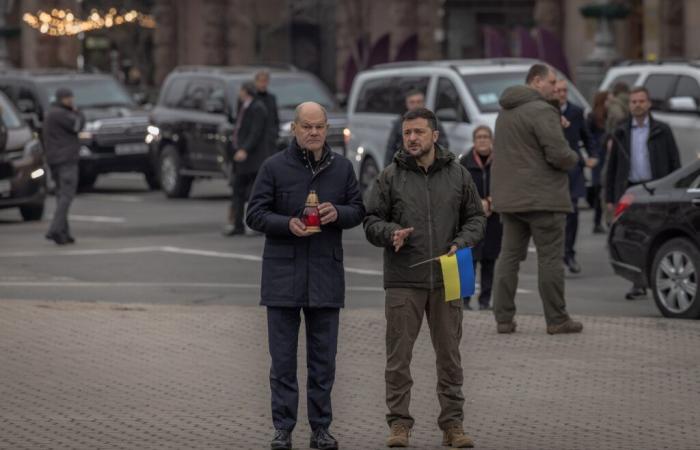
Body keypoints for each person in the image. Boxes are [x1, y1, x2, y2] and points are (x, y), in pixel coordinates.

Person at [246, 102, 365, 450]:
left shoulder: (342, 168)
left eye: (319, 127)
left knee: (323, 363)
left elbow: (359, 210)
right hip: (283, 277)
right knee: (282, 362)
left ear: (327, 129)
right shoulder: (273, 167)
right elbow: (254, 214)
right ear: (294, 129)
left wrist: (337, 213)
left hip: (325, 275)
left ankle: (321, 429)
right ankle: (283, 429)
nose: (313, 133)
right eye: (306, 127)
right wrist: (288, 224)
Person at [364, 107, 485, 448]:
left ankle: (453, 425)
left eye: (418, 132)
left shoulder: (458, 175)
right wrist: (390, 234)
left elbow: (476, 219)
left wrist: (461, 243)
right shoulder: (390, 176)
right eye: (407, 133)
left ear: (434, 135)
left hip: (449, 275)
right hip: (404, 278)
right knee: (398, 358)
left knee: (450, 356)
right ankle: (399, 424)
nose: (412, 138)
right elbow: (371, 220)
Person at [490, 64, 583, 335]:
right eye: (551, 83)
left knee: (508, 257)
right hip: (543, 198)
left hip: (510, 198)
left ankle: (503, 319)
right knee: (551, 259)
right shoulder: (542, 110)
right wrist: (575, 158)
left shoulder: (505, 111)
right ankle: (557, 319)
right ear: (536, 81)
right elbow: (558, 154)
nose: (555, 88)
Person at [606, 86, 681, 300]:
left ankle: (659, 278)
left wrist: (674, 188)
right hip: (630, 190)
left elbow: (674, 160)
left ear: (648, 103)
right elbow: (612, 167)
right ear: (629, 105)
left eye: (641, 101)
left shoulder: (662, 130)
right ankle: (637, 283)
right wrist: (610, 198)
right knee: (634, 236)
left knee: (658, 234)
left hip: (656, 188)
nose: (637, 105)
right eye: (633, 102)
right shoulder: (621, 130)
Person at [555, 79, 597, 274]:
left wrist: (592, 155)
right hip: (553, 170)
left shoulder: (576, 111)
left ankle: (569, 254)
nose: (562, 93)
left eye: (565, 90)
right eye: (559, 90)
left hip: (573, 168)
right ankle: (556, 254)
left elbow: (586, 136)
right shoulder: (545, 111)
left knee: (573, 212)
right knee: (555, 215)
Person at [460, 125, 502, 311]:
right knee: (469, 260)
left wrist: (493, 202)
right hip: (471, 220)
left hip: (494, 220)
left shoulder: (501, 162)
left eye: (486, 137)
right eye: (479, 137)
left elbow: (508, 185)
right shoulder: (464, 163)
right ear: (474, 141)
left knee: (489, 260)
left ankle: (485, 300)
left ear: (491, 140)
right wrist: (479, 204)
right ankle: (465, 301)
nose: (482, 140)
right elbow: (459, 191)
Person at [223, 82, 270, 236]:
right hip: (240, 157)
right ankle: (237, 224)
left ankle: (256, 224)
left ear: (246, 91)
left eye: (241, 90)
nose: (239, 93)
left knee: (254, 192)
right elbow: (239, 126)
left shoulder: (258, 108)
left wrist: (245, 149)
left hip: (252, 158)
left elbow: (255, 132)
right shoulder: (244, 106)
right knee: (237, 190)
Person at [43, 88, 85, 245]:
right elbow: (77, 126)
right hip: (66, 159)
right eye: (68, 98)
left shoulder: (52, 112)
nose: (71, 100)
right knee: (67, 195)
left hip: (54, 159)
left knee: (62, 196)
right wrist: (79, 113)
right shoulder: (61, 114)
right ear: (61, 99)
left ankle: (63, 233)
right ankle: (55, 229)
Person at [384, 89, 448, 167]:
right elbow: (390, 148)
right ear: (407, 104)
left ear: (424, 103)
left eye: (419, 102)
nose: (416, 105)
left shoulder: (433, 121)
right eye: (412, 102)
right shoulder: (400, 123)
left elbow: (443, 144)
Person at [586, 91, 609, 234]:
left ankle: (602, 220)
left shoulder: (609, 116)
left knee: (604, 189)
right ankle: (597, 221)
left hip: (606, 155)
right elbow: (588, 136)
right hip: (599, 156)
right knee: (598, 188)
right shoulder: (593, 117)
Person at [255, 69, 280, 155]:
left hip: (270, 139)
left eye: (265, 81)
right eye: (261, 81)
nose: (263, 84)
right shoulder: (253, 98)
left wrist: (275, 133)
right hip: (256, 141)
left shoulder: (271, 98)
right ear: (256, 82)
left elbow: (275, 118)